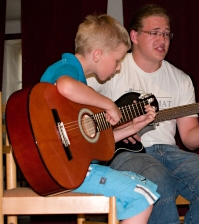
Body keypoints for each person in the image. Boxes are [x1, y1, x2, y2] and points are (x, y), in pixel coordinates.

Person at [87, 4, 199, 224]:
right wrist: (113, 128)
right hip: (125, 154)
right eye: (154, 33)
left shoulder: (181, 79)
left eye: (166, 34)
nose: (162, 40)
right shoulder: (113, 67)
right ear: (134, 36)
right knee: (158, 181)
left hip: (169, 153)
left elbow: (190, 139)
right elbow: (76, 98)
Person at [40, 13, 160, 224]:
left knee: (145, 185)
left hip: (72, 168)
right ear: (97, 54)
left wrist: (132, 128)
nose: (119, 66)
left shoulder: (80, 92)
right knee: (142, 194)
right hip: (67, 171)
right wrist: (109, 104)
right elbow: (65, 86)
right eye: (117, 60)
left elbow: (92, 143)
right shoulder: (66, 70)